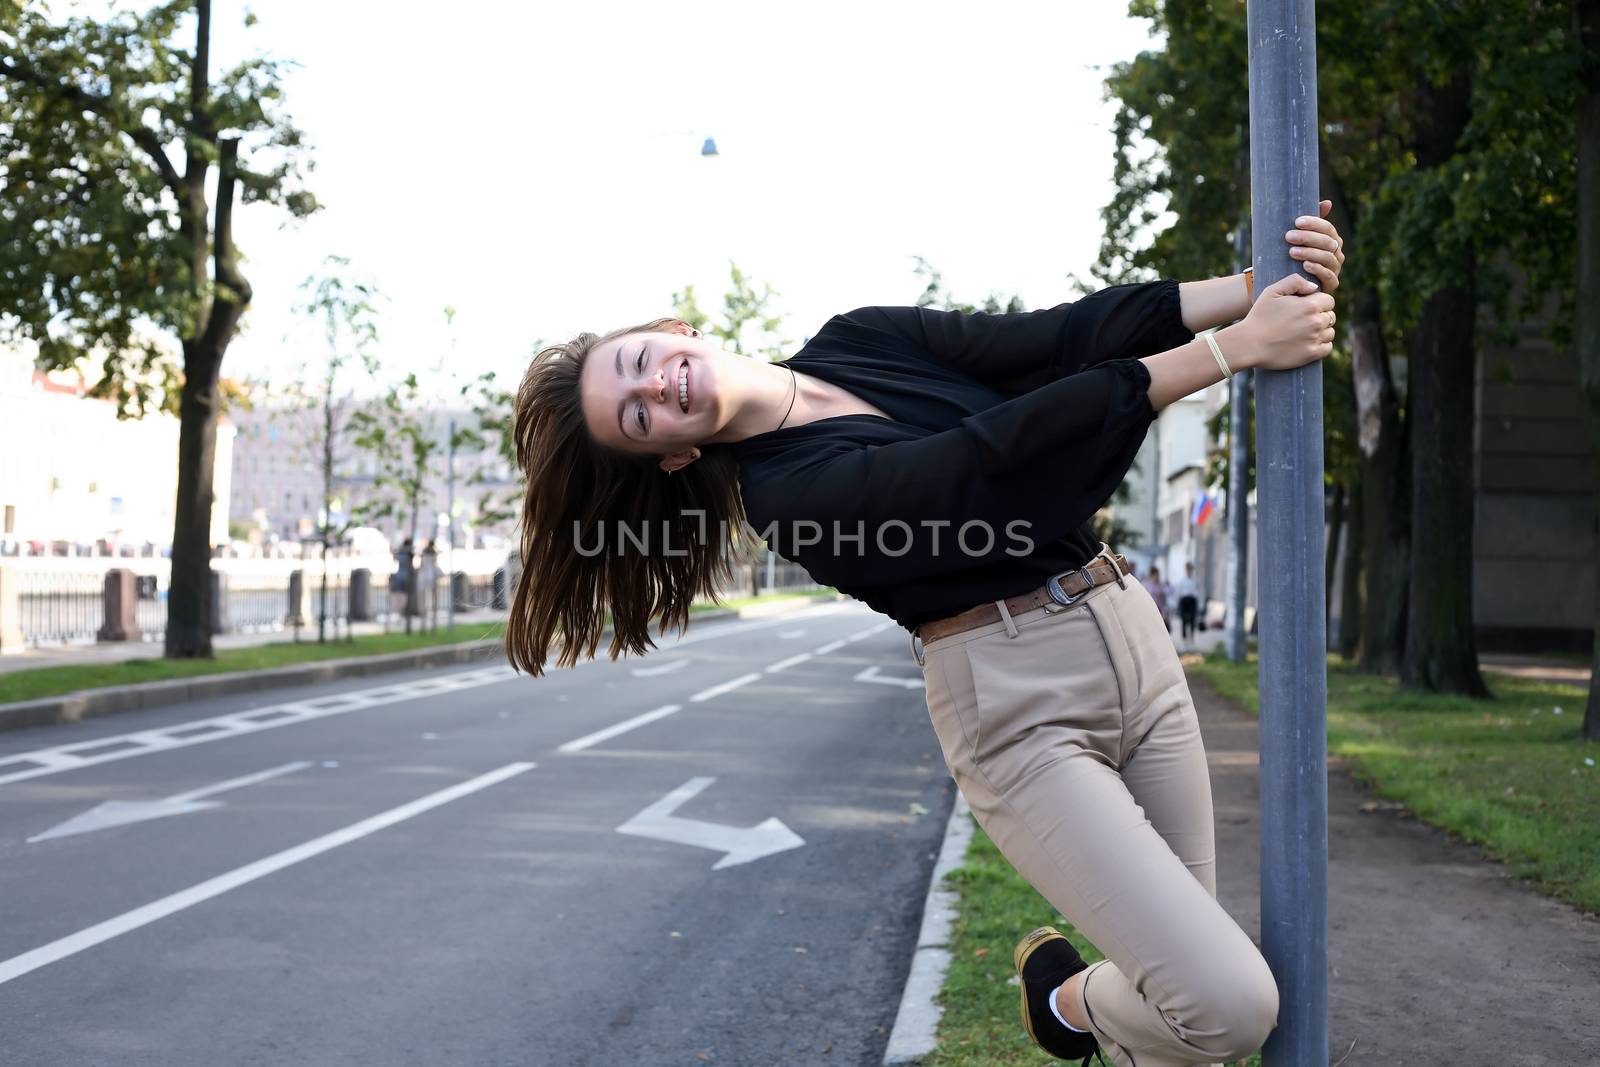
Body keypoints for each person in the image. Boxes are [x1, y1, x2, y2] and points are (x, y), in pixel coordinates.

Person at [503, 207, 1344, 1066]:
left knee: (1177, 1032)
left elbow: (1051, 341)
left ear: (674, 331)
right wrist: (1229, 350)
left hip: (1129, 633)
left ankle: (1085, 1016)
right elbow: (988, 464)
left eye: (639, 363)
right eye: (636, 417)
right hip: (1020, 714)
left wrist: (1248, 292)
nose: (655, 388)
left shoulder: (855, 337)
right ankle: (1065, 1001)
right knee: (1225, 1005)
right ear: (672, 459)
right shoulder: (793, 503)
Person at [1142, 564, 1171, 635]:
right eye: (1156, 574)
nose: (1157, 576)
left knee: (1159, 627)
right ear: (1152, 574)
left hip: (1159, 609)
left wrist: (1168, 585)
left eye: (1158, 575)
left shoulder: (1160, 584)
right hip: (1150, 608)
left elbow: (1169, 591)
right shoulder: (1146, 584)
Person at [1175, 561, 1200, 643]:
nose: (1189, 571)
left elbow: (1197, 592)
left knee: (1192, 619)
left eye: (1190, 569)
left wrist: (1198, 604)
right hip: (1184, 600)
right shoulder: (1182, 580)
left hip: (1192, 600)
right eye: (1187, 569)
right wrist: (1178, 603)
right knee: (1183, 619)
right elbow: (1179, 592)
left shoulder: (1195, 580)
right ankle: (1184, 636)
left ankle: (1192, 636)